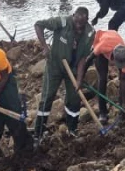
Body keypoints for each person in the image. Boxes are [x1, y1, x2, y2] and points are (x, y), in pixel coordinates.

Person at [33, 8, 96, 140]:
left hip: (72, 68)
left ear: (86, 21)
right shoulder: (62, 22)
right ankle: (38, 133)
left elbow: (83, 58)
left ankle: (72, 130)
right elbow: (39, 24)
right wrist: (45, 46)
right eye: (77, 22)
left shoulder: (90, 33)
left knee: (74, 98)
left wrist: (79, 79)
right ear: (73, 16)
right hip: (54, 65)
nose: (78, 26)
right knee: (47, 97)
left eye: (82, 24)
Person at [79, 29, 125, 123]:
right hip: (101, 41)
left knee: (124, 77)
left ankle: (122, 111)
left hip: (114, 39)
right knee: (102, 78)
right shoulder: (101, 47)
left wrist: (124, 103)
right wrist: (80, 78)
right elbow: (88, 60)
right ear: (113, 59)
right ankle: (103, 112)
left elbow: (124, 80)